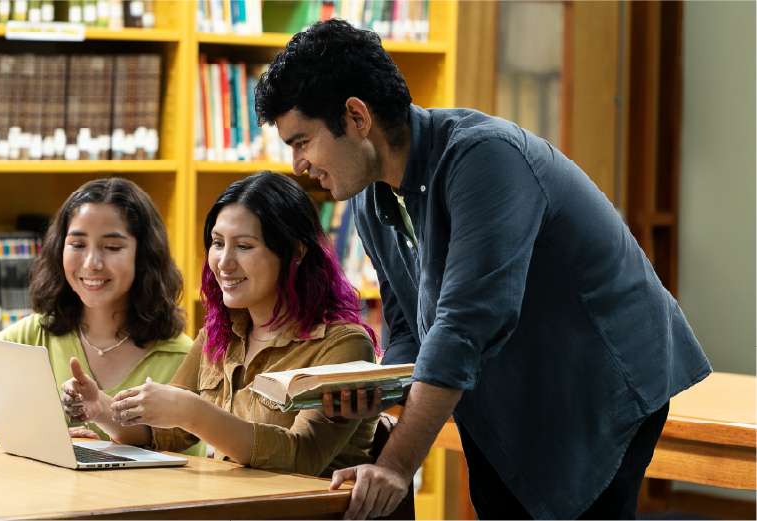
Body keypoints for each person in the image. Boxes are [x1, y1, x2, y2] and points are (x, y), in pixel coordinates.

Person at [253, 19, 712, 521]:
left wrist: (396, 465)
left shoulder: (484, 156)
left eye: (301, 142)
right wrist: (377, 389)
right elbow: (408, 329)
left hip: (599, 380)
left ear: (357, 117)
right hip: (510, 385)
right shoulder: (369, 199)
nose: (297, 164)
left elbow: (465, 323)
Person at [61, 171, 380, 477]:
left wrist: (193, 412)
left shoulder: (344, 344)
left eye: (243, 246)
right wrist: (101, 408)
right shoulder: (217, 334)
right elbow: (164, 433)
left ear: (295, 251)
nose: (224, 263)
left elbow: (302, 458)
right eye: (217, 243)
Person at [0, 178, 204, 456]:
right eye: (77, 244)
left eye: (112, 247)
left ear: (144, 255)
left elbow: (192, 470)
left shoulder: (182, 357)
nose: (91, 263)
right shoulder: (31, 336)